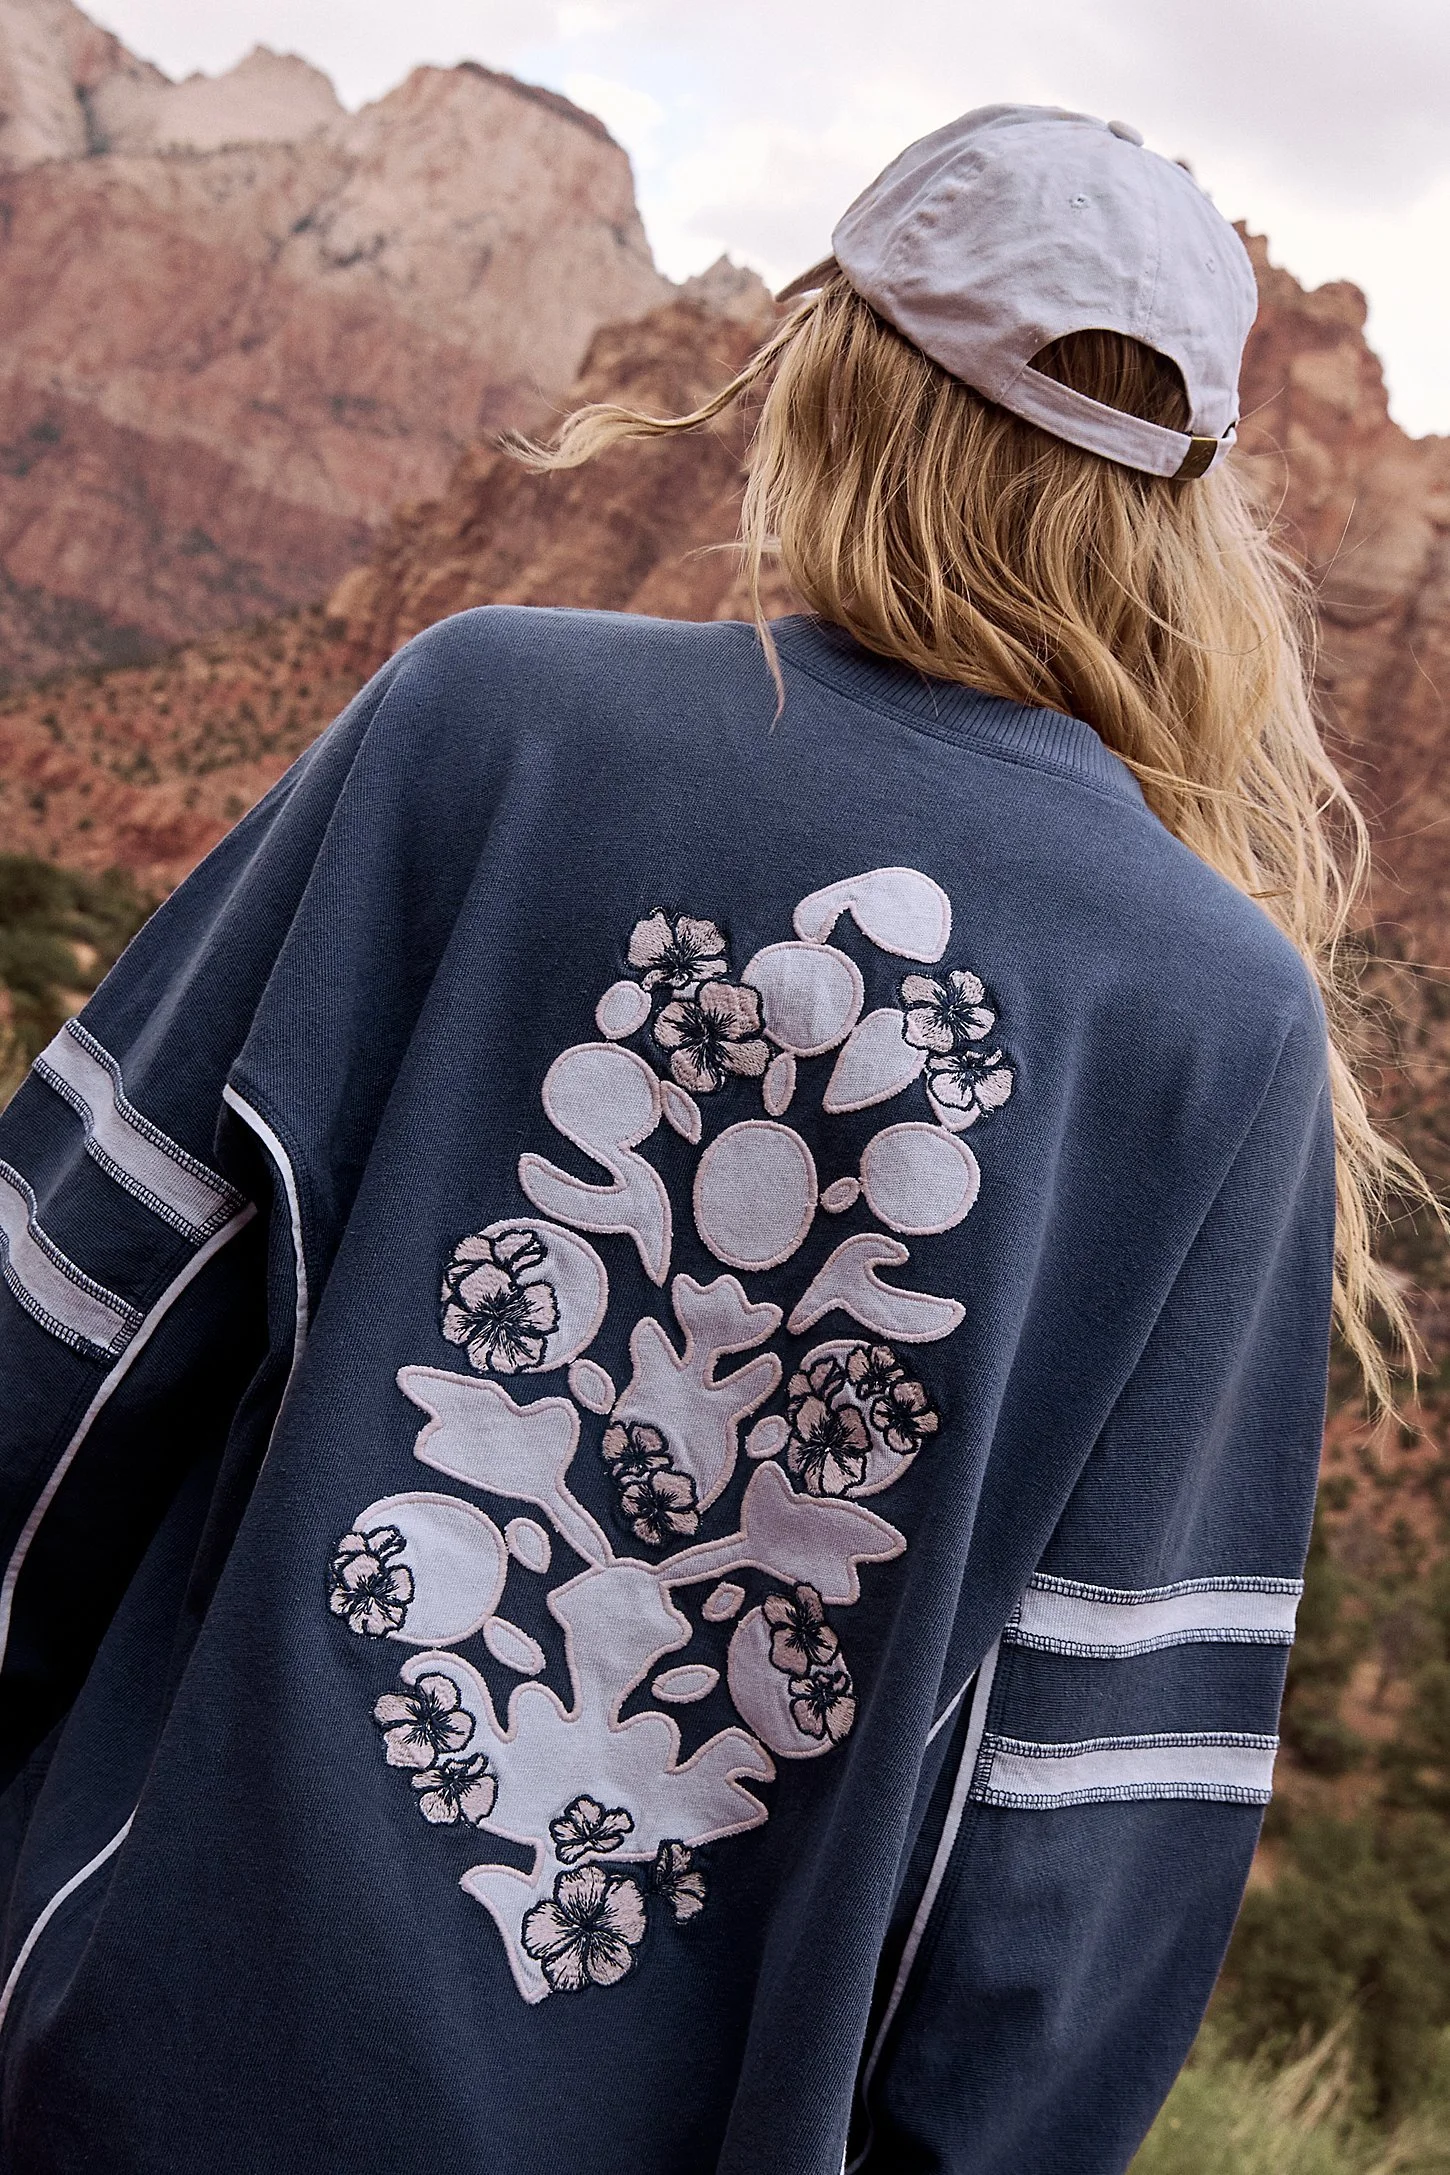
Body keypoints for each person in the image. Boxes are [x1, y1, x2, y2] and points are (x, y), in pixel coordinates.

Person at [0, 103, 1428, 2175]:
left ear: (822, 383)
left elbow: (66, 1327)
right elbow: (1080, 1811)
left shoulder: (481, 726)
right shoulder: (1213, 1025)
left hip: (150, 2063)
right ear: (1184, 515)